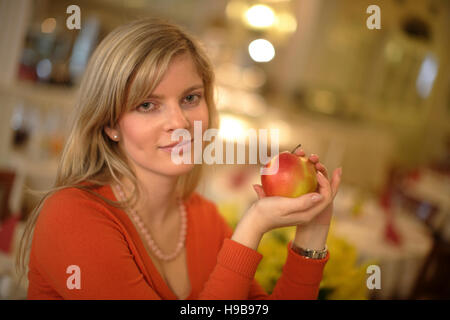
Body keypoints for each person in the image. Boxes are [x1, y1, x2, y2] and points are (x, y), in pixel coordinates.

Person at [16, 18, 342, 300]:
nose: (181, 122)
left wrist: (312, 232)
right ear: (110, 124)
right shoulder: (72, 216)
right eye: (147, 104)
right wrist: (252, 226)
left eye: (190, 98)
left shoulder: (203, 218)